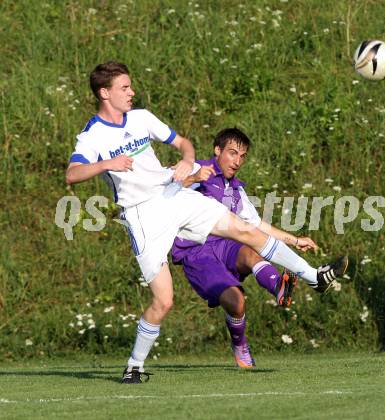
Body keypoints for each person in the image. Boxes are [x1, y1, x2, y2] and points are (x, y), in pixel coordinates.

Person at [66, 61, 348, 384]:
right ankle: (134, 365)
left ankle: (314, 276)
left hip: (172, 195)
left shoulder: (141, 118)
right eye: (124, 88)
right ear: (105, 93)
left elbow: (182, 143)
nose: (132, 92)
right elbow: (72, 174)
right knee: (164, 300)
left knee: (245, 230)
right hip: (143, 216)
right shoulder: (92, 136)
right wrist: (107, 164)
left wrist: (187, 159)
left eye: (130, 86)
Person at [171, 128, 330, 368]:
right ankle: (240, 343)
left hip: (225, 245)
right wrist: (193, 178)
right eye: (232, 153)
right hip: (196, 253)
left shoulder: (236, 190)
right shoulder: (197, 168)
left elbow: (257, 226)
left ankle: (278, 285)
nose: (237, 161)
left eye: (242, 156)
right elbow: (162, 190)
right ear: (217, 151)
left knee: (251, 247)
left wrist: (296, 240)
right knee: (237, 304)